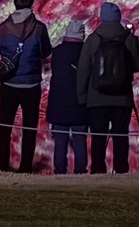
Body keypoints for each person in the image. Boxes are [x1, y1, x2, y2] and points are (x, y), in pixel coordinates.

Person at [78, 1, 139, 174]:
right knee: (120, 136)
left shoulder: (93, 39)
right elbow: (138, 65)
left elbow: (83, 70)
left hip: (97, 97)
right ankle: (121, 169)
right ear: (119, 17)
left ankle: (98, 170)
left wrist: (82, 96)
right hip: (122, 97)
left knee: (98, 138)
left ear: (102, 17)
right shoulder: (128, 38)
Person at [0, 0, 52, 172]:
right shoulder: (39, 28)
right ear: (31, 4)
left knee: (5, 128)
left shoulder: (3, 27)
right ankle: (25, 167)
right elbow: (45, 52)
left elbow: (0, 49)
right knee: (29, 129)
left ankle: (2, 166)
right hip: (31, 85)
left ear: (15, 4)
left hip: (9, 84)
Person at [47, 20, 90, 175]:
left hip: (59, 103)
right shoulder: (86, 52)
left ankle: (59, 172)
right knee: (80, 140)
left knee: (60, 142)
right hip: (80, 103)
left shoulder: (57, 52)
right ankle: (80, 172)